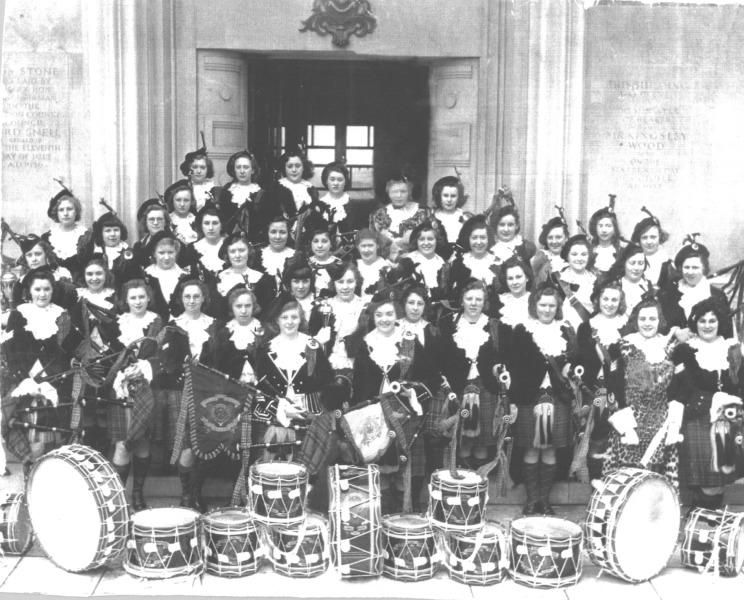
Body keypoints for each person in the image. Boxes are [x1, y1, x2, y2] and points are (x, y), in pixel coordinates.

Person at [351, 290, 438, 512]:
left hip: (405, 415)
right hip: (375, 416)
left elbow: (431, 378)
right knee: (380, 470)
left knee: (404, 469)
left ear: (396, 315)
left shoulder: (409, 341)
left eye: (389, 314)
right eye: (379, 315)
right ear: (373, 318)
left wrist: (414, 392)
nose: (385, 319)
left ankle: (403, 515)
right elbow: (359, 384)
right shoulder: (365, 344)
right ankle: (383, 515)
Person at [507, 283, 579, 515]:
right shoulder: (522, 330)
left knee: (550, 450)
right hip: (530, 396)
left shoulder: (566, 330)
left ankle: (544, 501)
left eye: (551, 305)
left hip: (557, 397)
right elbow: (515, 367)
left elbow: (577, 359)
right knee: (530, 448)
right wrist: (514, 399)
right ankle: (531, 500)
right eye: (542, 305)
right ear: (534, 305)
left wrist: (570, 366)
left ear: (557, 307)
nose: (547, 310)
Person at [670, 298, 743, 509]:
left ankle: (707, 528)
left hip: (729, 420)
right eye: (702, 321)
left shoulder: (733, 350)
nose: (707, 325)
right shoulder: (685, 350)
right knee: (705, 480)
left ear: (720, 322)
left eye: (712, 320)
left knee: (719, 480)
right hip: (698, 418)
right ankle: (701, 525)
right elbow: (685, 388)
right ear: (695, 323)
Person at [603, 298, 682, 490]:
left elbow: (677, 385)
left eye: (652, 319)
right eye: (643, 318)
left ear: (660, 321)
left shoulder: (670, 347)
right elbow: (613, 384)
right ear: (636, 320)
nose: (647, 323)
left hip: (660, 419)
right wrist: (624, 419)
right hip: (631, 419)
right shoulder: (622, 346)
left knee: (656, 477)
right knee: (627, 475)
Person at [1, 269, 75, 473]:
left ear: (53, 290)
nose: (42, 294)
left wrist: (50, 382)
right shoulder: (19, 313)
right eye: (37, 289)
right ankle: (30, 488)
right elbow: (10, 352)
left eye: (46, 289)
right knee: (34, 443)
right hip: (26, 386)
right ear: (29, 291)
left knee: (55, 441)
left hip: (54, 385)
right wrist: (27, 382)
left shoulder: (62, 314)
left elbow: (65, 353)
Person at [157, 279, 220, 511]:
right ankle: (186, 495)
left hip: (208, 391)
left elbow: (219, 360)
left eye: (196, 296)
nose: (192, 301)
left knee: (202, 445)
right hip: (179, 391)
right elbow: (165, 363)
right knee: (184, 445)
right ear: (181, 299)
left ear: (204, 298)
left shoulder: (215, 326)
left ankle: (197, 493)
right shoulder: (172, 326)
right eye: (187, 297)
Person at [439, 280, 509, 470]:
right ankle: (462, 479)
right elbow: (441, 356)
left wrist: (498, 368)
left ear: (484, 302)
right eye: (469, 298)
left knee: (483, 440)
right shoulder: (448, 324)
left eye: (478, 299)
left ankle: (480, 481)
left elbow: (501, 356)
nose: (473, 303)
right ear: (462, 301)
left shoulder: (494, 325)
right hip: (458, 386)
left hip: (486, 387)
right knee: (462, 438)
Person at [254, 298, 332, 462]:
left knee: (304, 467)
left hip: (308, 415)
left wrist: (307, 408)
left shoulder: (312, 345)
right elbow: (260, 391)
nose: (289, 322)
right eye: (284, 317)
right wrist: (281, 410)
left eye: (294, 317)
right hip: (273, 416)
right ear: (277, 320)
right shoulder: (266, 349)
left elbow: (326, 381)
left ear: (301, 319)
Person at [108, 279, 164, 511]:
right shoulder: (116, 323)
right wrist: (122, 370)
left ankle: (138, 495)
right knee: (123, 443)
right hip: (121, 389)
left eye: (142, 297)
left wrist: (144, 367)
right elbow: (108, 355)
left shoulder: (157, 322)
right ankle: (120, 498)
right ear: (126, 300)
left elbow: (164, 356)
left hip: (147, 388)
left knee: (142, 442)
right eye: (133, 297)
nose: (138, 301)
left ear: (148, 298)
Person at [575, 280, 628, 482]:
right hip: (596, 393)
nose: (609, 303)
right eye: (605, 299)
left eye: (614, 299)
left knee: (619, 436)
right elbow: (581, 360)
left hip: (621, 391)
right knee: (597, 435)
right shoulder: (586, 327)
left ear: (620, 302)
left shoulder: (627, 326)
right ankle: (596, 484)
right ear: (598, 300)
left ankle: (616, 484)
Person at [659, 239, 732, 339]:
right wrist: (676, 332)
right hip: (676, 349)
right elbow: (661, 324)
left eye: (695, 267)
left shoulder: (717, 295)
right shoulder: (669, 293)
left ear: (704, 268)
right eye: (687, 267)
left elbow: (727, 332)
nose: (690, 272)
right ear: (680, 268)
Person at [308, 262, 366, 381]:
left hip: (358, 368)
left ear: (357, 282)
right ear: (333, 284)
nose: (345, 287)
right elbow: (311, 339)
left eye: (350, 281)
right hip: (327, 366)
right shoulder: (322, 307)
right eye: (340, 282)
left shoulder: (365, 308)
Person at [214, 233, 274, 319]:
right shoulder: (219, 278)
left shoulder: (261, 279)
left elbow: (267, 312)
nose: (237, 255)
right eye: (233, 251)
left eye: (242, 250)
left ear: (248, 252)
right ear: (227, 254)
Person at [447, 215, 498, 312]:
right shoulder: (459, 262)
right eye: (474, 238)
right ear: (468, 239)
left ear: (489, 239)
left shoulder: (496, 262)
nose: (478, 242)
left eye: (483, 238)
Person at [140, 231, 194, 322]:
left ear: (176, 252)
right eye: (161, 253)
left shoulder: (185, 276)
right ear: (154, 253)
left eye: (170, 252)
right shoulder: (146, 276)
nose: (166, 257)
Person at [11, 235, 76, 310]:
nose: (34, 259)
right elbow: (17, 308)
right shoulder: (21, 282)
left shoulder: (60, 277)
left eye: (38, 254)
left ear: (46, 254)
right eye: (29, 255)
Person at [369, 172, 427, 254]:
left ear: (409, 192)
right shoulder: (378, 215)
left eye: (403, 192)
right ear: (388, 193)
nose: (399, 195)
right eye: (394, 192)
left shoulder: (423, 212)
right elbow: (372, 243)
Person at [41, 183, 90, 279]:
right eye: (61, 210)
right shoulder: (47, 238)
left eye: (69, 209)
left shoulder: (87, 236)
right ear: (56, 213)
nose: (66, 213)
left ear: (76, 212)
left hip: (82, 285)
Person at [217, 150, 263, 239]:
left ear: (253, 170)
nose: (242, 171)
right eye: (238, 167)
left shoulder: (261, 194)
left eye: (246, 167)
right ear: (234, 170)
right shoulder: (226, 192)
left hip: (254, 242)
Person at [605, 243, 654, 320]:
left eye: (640, 263)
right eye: (632, 263)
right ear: (624, 263)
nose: (636, 268)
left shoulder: (647, 286)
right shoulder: (615, 285)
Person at [557, 235, 597, 330]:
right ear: (567, 256)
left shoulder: (595, 281)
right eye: (574, 254)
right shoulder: (557, 279)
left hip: (586, 332)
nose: (579, 258)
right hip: (563, 329)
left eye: (583, 254)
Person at [88, 211, 136, 288]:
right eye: (108, 231)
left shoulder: (129, 253)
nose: (113, 234)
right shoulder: (95, 254)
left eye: (116, 230)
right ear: (101, 233)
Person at [630, 208, 674, 289]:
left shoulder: (666, 263)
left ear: (660, 237)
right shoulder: (631, 261)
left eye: (653, 237)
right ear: (638, 240)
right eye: (644, 238)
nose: (649, 242)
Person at [431, 175, 470, 259]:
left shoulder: (466, 218)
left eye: (453, 196)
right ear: (439, 196)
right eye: (445, 195)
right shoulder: (431, 218)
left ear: (458, 197)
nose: (449, 200)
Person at [404, 220, 447, 296]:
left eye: (430, 239)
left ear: (437, 240)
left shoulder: (440, 261)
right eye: (422, 239)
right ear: (416, 241)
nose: (426, 243)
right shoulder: (409, 259)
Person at [488, 203, 536, 268]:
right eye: (502, 225)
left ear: (516, 226)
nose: (506, 229)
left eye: (510, 225)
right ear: (496, 226)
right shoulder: (490, 250)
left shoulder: (525, 248)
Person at [257, 215, 296, 292]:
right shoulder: (257, 257)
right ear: (267, 233)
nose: (278, 237)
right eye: (273, 232)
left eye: (282, 232)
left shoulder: (296, 256)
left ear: (288, 233)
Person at [493, 255, 533, 329]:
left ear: (527, 278)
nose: (515, 282)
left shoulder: (535, 300)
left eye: (518, 277)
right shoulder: (499, 301)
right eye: (510, 278)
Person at [588, 196, 623, 276]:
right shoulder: (590, 251)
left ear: (614, 229)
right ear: (595, 228)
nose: (604, 230)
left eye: (608, 226)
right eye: (600, 226)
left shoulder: (620, 252)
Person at [132, 199, 171, 269]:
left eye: (159, 219)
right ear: (145, 223)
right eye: (151, 219)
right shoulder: (139, 246)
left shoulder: (175, 242)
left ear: (165, 222)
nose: (155, 223)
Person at [531, 215, 569, 287]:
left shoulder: (573, 258)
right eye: (550, 238)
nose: (554, 242)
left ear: (566, 238)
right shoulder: (541, 257)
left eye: (558, 237)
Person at [355, 228, 391, 302]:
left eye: (370, 246)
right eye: (363, 246)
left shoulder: (384, 266)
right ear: (357, 247)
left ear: (377, 245)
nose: (367, 250)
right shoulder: (355, 265)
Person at [306, 226, 342, 297]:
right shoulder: (306, 263)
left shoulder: (338, 264)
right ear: (311, 244)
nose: (319, 246)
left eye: (324, 241)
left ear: (331, 244)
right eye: (316, 241)